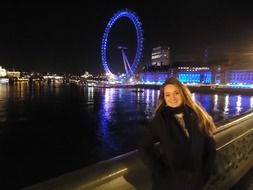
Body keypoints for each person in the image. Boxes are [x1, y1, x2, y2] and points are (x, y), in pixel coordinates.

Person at [139, 77, 216, 190]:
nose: (172, 98)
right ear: (164, 98)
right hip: (170, 184)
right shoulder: (160, 120)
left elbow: (210, 147)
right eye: (168, 95)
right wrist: (160, 170)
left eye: (176, 93)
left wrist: (206, 172)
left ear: (183, 94)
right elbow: (144, 147)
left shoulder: (198, 115)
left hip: (196, 182)